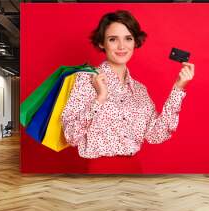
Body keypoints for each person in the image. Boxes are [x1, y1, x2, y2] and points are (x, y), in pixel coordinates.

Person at [61, 10, 194, 159]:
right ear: (101, 43)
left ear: (135, 42)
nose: (121, 46)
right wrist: (100, 98)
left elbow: (156, 135)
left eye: (128, 38)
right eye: (113, 39)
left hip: (135, 173)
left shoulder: (140, 90)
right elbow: (71, 136)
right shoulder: (85, 79)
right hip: (96, 175)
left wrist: (178, 88)